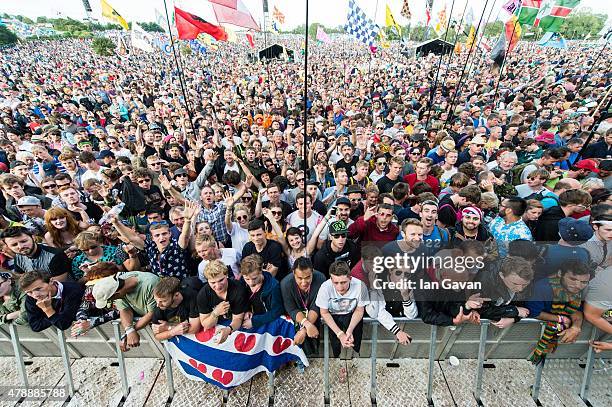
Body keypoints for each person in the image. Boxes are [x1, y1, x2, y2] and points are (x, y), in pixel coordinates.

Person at [110, 201, 199, 279]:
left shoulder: (176, 245)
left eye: (164, 234)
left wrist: (187, 220)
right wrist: (116, 223)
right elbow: (132, 238)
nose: (161, 237)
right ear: (152, 238)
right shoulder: (150, 246)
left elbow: (185, 236)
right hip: (160, 287)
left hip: (180, 285)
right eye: (157, 235)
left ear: (170, 234)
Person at [526, 260, 592, 364]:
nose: (578, 286)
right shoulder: (542, 287)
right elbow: (534, 313)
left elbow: (576, 310)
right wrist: (560, 319)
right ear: (560, 273)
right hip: (532, 335)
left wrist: (576, 326)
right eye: (573, 279)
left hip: (553, 334)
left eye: (583, 282)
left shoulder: (581, 290)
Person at [315, 260, 369, 381]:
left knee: (355, 340)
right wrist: (340, 334)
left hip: (352, 313)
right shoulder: (325, 287)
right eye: (336, 283)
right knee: (335, 344)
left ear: (350, 278)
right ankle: (338, 360)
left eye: (343, 282)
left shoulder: (361, 286)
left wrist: (349, 330)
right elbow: (324, 312)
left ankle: (351, 358)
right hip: (332, 315)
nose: (340, 287)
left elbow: (360, 311)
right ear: (331, 279)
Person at [92, 270, 160, 351]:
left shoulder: (150, 284)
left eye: (109, 300)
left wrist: (130, 332)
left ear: (116, 293)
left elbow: (153, 313)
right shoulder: (118, 285)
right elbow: (124, 309)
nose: (110, 302)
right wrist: (129, 331)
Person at [280, 257, 325, 361]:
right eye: (300, 278)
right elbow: (291, 309)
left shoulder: (321, 278)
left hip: (313, 315)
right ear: (293, 273)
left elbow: (317, 305)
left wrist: (304, 330)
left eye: (308, 277)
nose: (304, 282)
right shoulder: (285, 283)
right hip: (296, 317)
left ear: (312, 272)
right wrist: (307, 325)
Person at [197, 260, 248, 345]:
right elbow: (206, 324)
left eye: (221, 280)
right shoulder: (203, 294)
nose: (217, 286)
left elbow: (238, 319)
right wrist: (216, 312)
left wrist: (228, 330)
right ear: (207, 281)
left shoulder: (238, 289)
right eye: (213, 282)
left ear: (227, 275)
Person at [20, 270, 84, 332]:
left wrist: (48, 309)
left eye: (38, 289)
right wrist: (56, 315)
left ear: (51, 281)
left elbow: (63, 324)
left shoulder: (73, 291)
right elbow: (35, 326)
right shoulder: (31, 298)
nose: (35, 295)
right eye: (29, 292)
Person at [0, 226, 72, 281]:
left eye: (24, 241)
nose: (20, 246)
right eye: (14, 245)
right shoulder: (18, 257)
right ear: (8, 246)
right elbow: (22, 279)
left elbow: (60, 283)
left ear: (33, 238)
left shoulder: (55, 255)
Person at [151, 277, 203, 341]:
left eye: (163, 301)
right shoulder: (159, 309)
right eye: (156, 300)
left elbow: (194, 329)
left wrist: (168, 327)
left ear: (176, 295)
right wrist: (172, 331)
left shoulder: (192, 296)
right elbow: (157, 336)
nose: (158, 304)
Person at [239, 254, 284, 329]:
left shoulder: (273, 286)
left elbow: (277, 310)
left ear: (261, 271)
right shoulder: (242, 281)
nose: (251, 283)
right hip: (250, 320)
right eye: (247, 279)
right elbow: (240, 299)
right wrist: (246, 310)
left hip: (267, 325)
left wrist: (255, 321)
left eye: (254, 278)